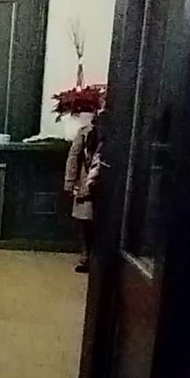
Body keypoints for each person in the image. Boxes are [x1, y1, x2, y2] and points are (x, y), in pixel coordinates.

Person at [65, 111, 106, 273]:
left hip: (105, 182)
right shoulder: (85, 132)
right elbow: (74, 156)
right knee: (84, 221)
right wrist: (70, 181)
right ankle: (85, 255)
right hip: (86, 183)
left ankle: (97, 257)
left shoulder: (112, 134)